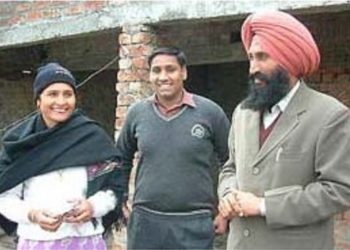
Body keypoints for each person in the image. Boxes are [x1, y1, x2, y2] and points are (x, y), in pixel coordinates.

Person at [218, 10, 350, 250]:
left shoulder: (330, 115)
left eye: (262, 57)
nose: (252, 68)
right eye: (250, 58)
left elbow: (338, 190)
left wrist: (262, 205)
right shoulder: (243, 112)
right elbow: (231, 167)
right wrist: (227, 194)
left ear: (288, 60)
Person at [115, 46, 230, 249]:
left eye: (170, 69)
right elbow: (120, 159)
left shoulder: (210, 112)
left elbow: (230, 162)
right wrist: (120, 198)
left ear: (184, 72)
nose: (163, 76)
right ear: (150, 75)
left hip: (195, 223)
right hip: (145, 223)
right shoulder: (137, 113)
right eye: (156, 70)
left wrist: (224, 211)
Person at [0, 62, 123, 250]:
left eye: (68, 94)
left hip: (85, 240)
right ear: (38, 100)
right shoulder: (20, 144)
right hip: (36, 241)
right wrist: (33, 215)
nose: (61, 101)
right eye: (52, 94)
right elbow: (5, 197)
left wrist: (92, 206)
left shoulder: (91, 137)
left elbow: (114, 188)